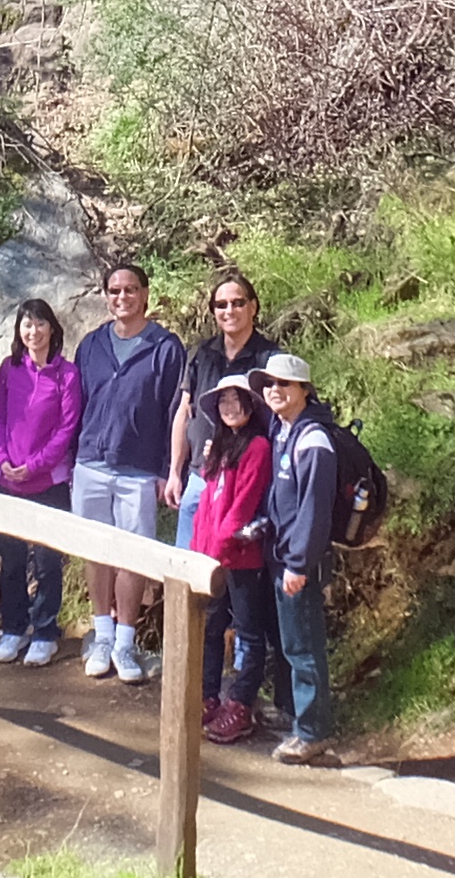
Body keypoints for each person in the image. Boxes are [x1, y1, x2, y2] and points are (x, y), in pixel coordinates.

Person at [166, 264, 290, 725]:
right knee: (198, 593)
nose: (230, 310)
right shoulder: (202, 355)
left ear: (254, 307)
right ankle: (203, 688)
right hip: (203, 477)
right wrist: (176, 471)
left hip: (250, 486)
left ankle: (244, 697)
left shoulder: (270, 356)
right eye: (221, 304)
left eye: (238, 302)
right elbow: (183, 411)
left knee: (245, 603)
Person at [72, 263, 186, 684]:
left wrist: (167, 471)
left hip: (139, 470)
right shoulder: (91, 345)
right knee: (96, 552)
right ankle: (101, 634)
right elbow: (75, 405)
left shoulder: (165, 347)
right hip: (91, 464)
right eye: (115, 291)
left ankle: (125, 642)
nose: (123, 298)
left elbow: (177, 410)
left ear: (145, 295)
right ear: (106, 296)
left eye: (131, 290)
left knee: (133, 557)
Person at [248, 352, 337, 763]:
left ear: (304, 390)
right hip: (280, 556)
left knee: (303, 647)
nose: (275, 391)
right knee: (293, 644)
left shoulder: (313, 440)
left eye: (284, 384)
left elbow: (315, 512)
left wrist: (299, 564)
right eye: (269, 384)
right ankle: (302, 720)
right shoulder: (283, 430)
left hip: (297, 563)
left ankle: (312, 732)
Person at [0, 298, 82, 667]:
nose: (34, 331)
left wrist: (35, 466)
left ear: (52, 329)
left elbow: (67, 428)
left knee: (46, 561)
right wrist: (2, 460)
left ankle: (44, 631)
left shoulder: (68, 375)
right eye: (27, 325)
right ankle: (13, 628)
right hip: (8, 478)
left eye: (40, 324)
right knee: (10, 560)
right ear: (19, 331)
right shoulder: (10, 370)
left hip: (49, 481)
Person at [188, 375, 273, 743]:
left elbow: (243, 505)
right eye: (223, 401)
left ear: (251, 406)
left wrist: (219, 550)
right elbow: (208, 503)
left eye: (236, 400)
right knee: (210, 628)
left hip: (242, 556)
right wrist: (199, 549)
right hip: (213, 556)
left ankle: (240, 704)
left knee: (250, 632)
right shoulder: (220, 447)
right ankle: (207, 695)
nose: (229, 407)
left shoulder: (257, 447)